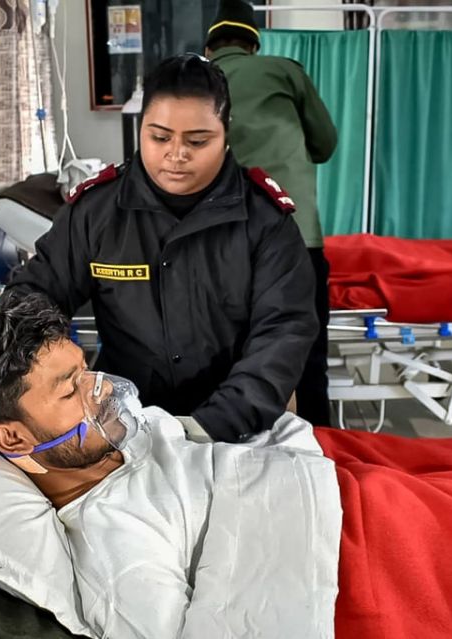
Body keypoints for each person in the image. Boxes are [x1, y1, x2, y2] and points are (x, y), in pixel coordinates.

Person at [0, 293, 452, 639]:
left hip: (328, 469)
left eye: (86, 371)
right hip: (354, 553)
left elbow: (131, 403)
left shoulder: (108, 432)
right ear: (15, 438)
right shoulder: (112, 541)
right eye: (71, 389)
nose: (99, 391)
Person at [5, 54, 318, 444]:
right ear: (141, 130)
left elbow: (283, 333)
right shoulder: (96, 212)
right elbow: (35, 295)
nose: (176, 154)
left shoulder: (265, 222)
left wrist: (212, 425)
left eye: (197, 141)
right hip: (120, 422)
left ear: (226, 133)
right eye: (160, 137)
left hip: (237, 427)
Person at [205, 0, 338, 427]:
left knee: (228, 356)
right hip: (296, 234)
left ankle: (232, 450)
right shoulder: (285, 72)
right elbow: (325, 144)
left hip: (223, 242)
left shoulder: (197, 82)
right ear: (253, 44)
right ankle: (320, 449)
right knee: (307, 352)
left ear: (210, 46)